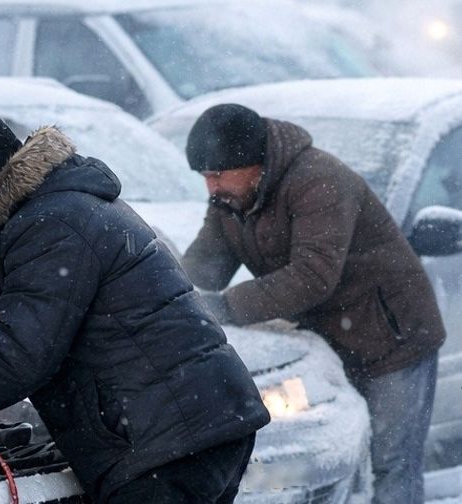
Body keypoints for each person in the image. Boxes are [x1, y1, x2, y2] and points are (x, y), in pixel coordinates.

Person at [0, 109, 270, 503]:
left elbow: (17, 359)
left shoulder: (51, 224)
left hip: (168, 444)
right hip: (194, 428)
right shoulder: (61, 208)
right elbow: (47, 320)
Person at [181, 104, 446, 504]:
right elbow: (204, 263)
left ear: (254, 163)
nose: (212, 188)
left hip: (394, 339)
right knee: (326, 468)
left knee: (390, 466)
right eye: (205, 177)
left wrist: (223, 308)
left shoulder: (318, 181)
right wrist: (174, 301)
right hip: (328, 342)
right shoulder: (230, 199)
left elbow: (312, 276)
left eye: (218, 175)